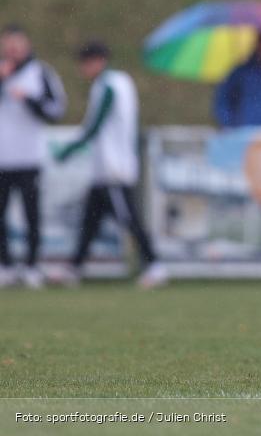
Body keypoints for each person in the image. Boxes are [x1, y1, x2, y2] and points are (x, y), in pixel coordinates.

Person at [52, 42, 167, 289]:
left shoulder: (108, 86)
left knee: (129, 220)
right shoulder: (119, 82)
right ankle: (75, 267)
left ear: (98, 61)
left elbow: (94, 125)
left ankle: (156, 265)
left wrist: (69, 150)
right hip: (105, 168)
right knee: (90, 220)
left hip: (114, 167)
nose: (83, 69)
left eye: (85, 62)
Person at [0, 24, 67, 288]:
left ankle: (32, 266)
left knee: (32, 215)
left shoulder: (41, 72)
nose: (13, 50)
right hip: (2, 159)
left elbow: (56, 110)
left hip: (29, 158)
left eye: (18, 44)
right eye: (9, 44)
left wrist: (28, 99)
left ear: (26, 45)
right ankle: (4, 265)